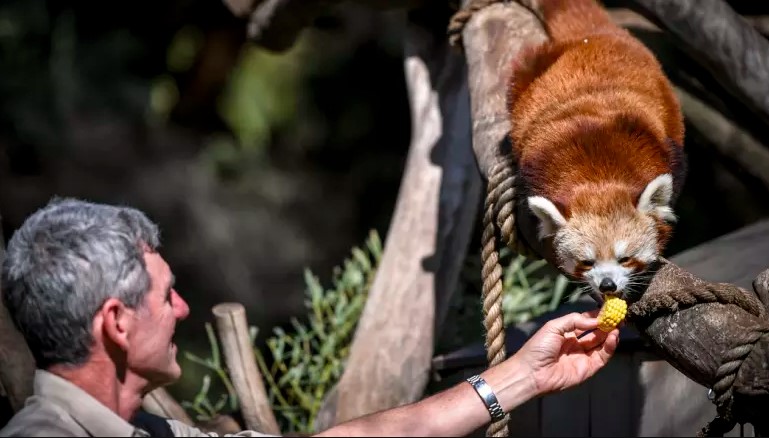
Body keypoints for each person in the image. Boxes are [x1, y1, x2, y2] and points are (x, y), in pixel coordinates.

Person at [0, 198, 619, 437]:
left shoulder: (150, 433)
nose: (183, 309)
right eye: (166, 296)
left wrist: (523, 378)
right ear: (116, 322)